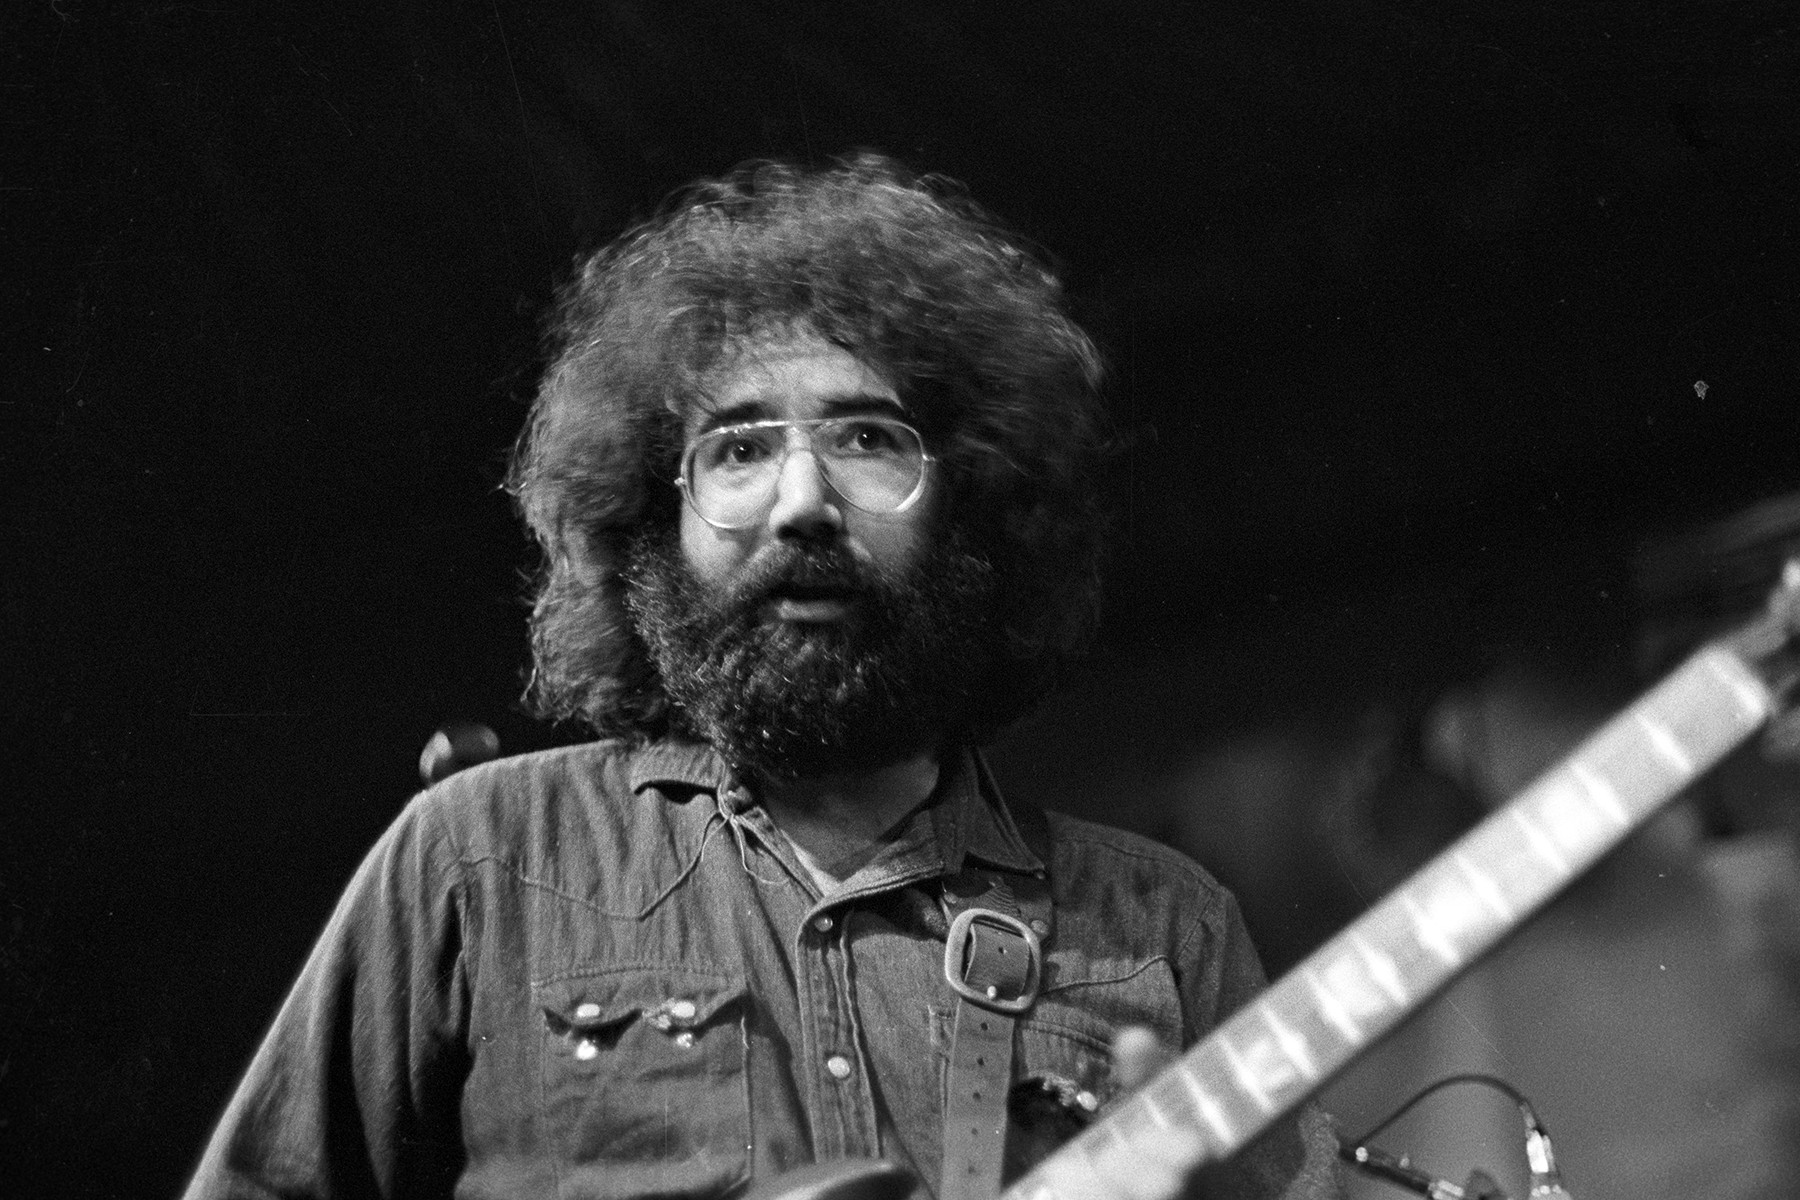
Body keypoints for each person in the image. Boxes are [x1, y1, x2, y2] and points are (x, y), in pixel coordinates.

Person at [182, 154, 1343, 1200]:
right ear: (652, 521)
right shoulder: (478, 860)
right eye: (737, 449)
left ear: (979, 507)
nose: (803, 504)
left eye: (868, 439)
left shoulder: (1160, 923)